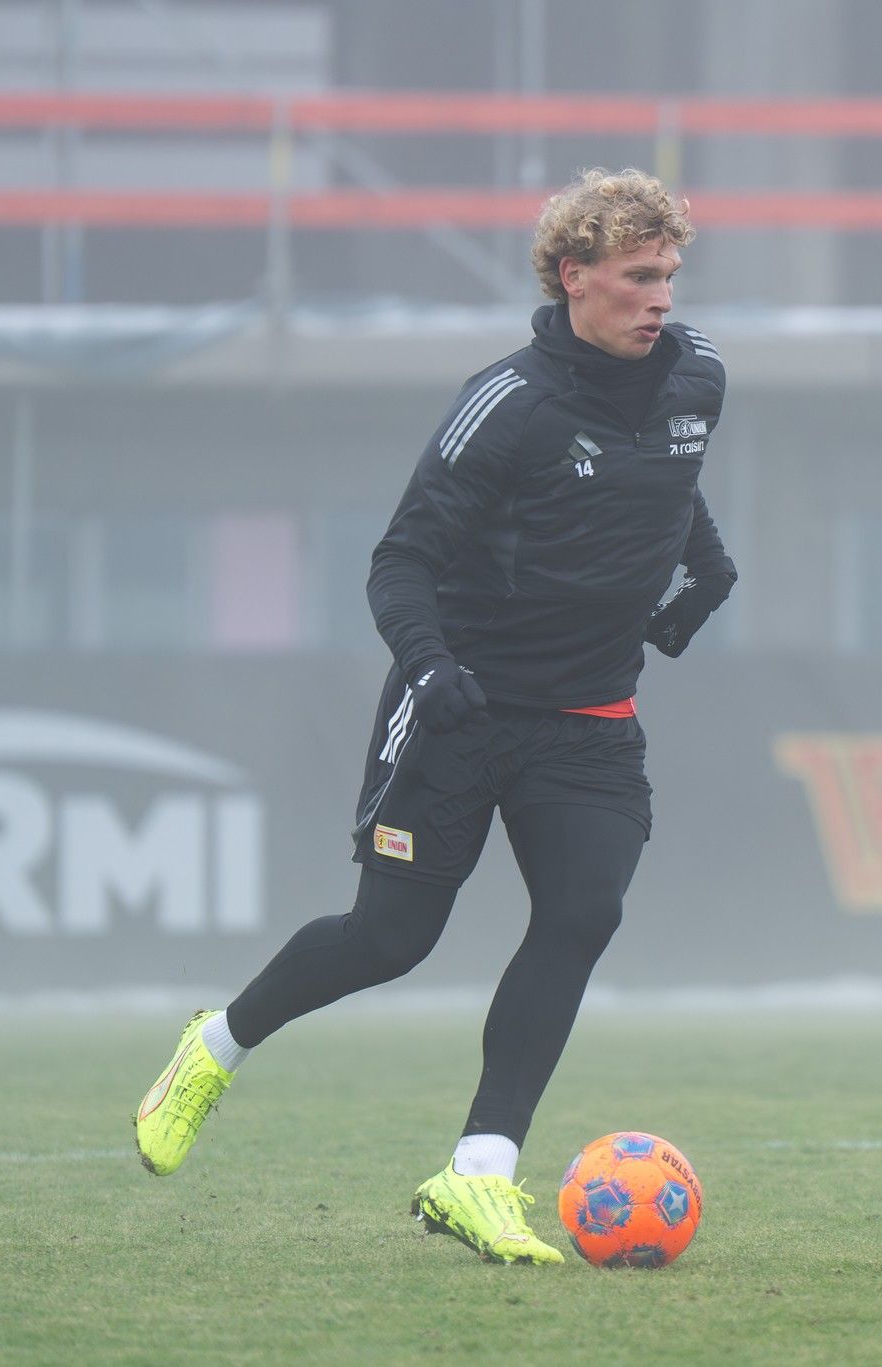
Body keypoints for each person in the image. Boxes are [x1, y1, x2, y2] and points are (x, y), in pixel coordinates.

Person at [131, 168, 737, 1264]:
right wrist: (430, 667)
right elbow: (400, 559)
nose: (662, 299)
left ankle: (477, 1173)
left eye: (671, 276)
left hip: (591, 722)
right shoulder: (507, 403)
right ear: (573, 277)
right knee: (389, 938)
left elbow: (668, 476)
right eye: (639, 277)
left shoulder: (697, 376)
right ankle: (214, 1044)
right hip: (460, 710)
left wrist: (707, 564)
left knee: (580, 913)